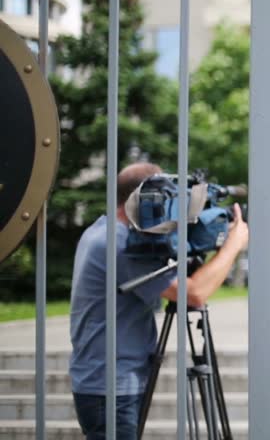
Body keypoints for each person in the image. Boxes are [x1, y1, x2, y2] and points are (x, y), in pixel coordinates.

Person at [68, 162, 249, 439]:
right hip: (110, 387)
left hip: (105, 381)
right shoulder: (118, 243)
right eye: (166, 197)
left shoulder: (102, 230)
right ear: (142, 197)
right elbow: (194, 293)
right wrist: (232, 246)